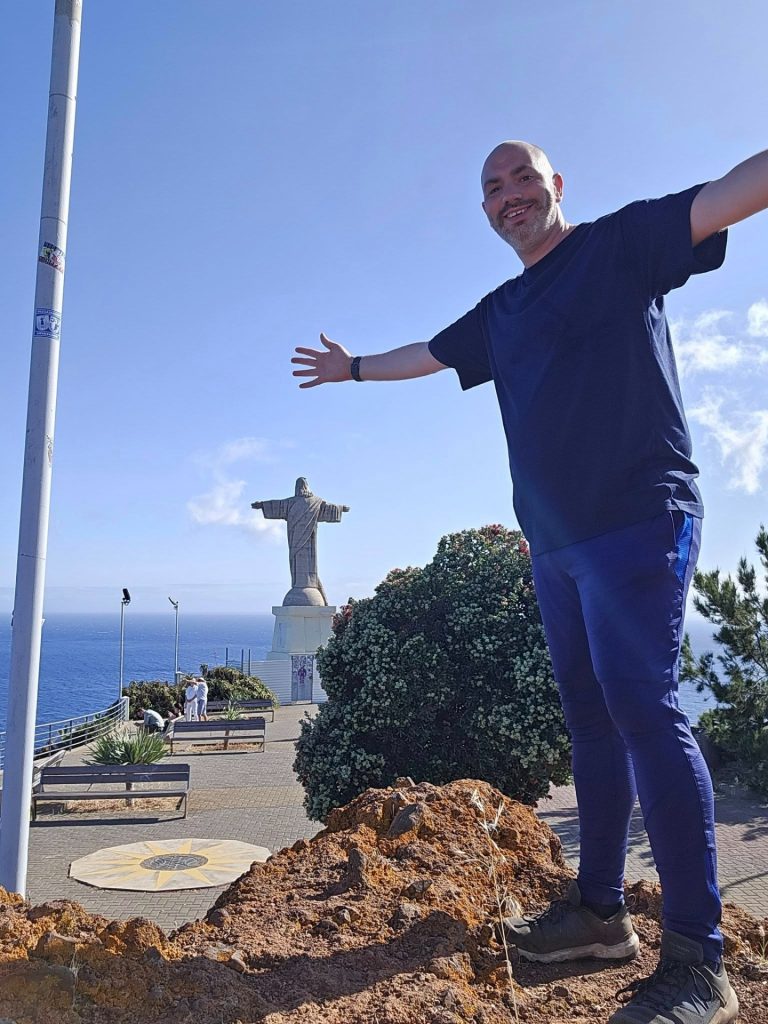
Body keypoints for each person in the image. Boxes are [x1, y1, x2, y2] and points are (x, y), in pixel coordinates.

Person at [292, 141, 768, 1024]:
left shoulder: (621, 244)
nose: (510, 194)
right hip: (554, 545)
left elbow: (734, 193)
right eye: (492, 188)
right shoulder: (501, 310)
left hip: (638, 519)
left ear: (557, 185)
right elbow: (429, 355)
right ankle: (598, 917)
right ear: (485, 213)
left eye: (523, 178)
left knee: (644, 709)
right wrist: (353, 368)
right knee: (590, 720)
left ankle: (700, 962)